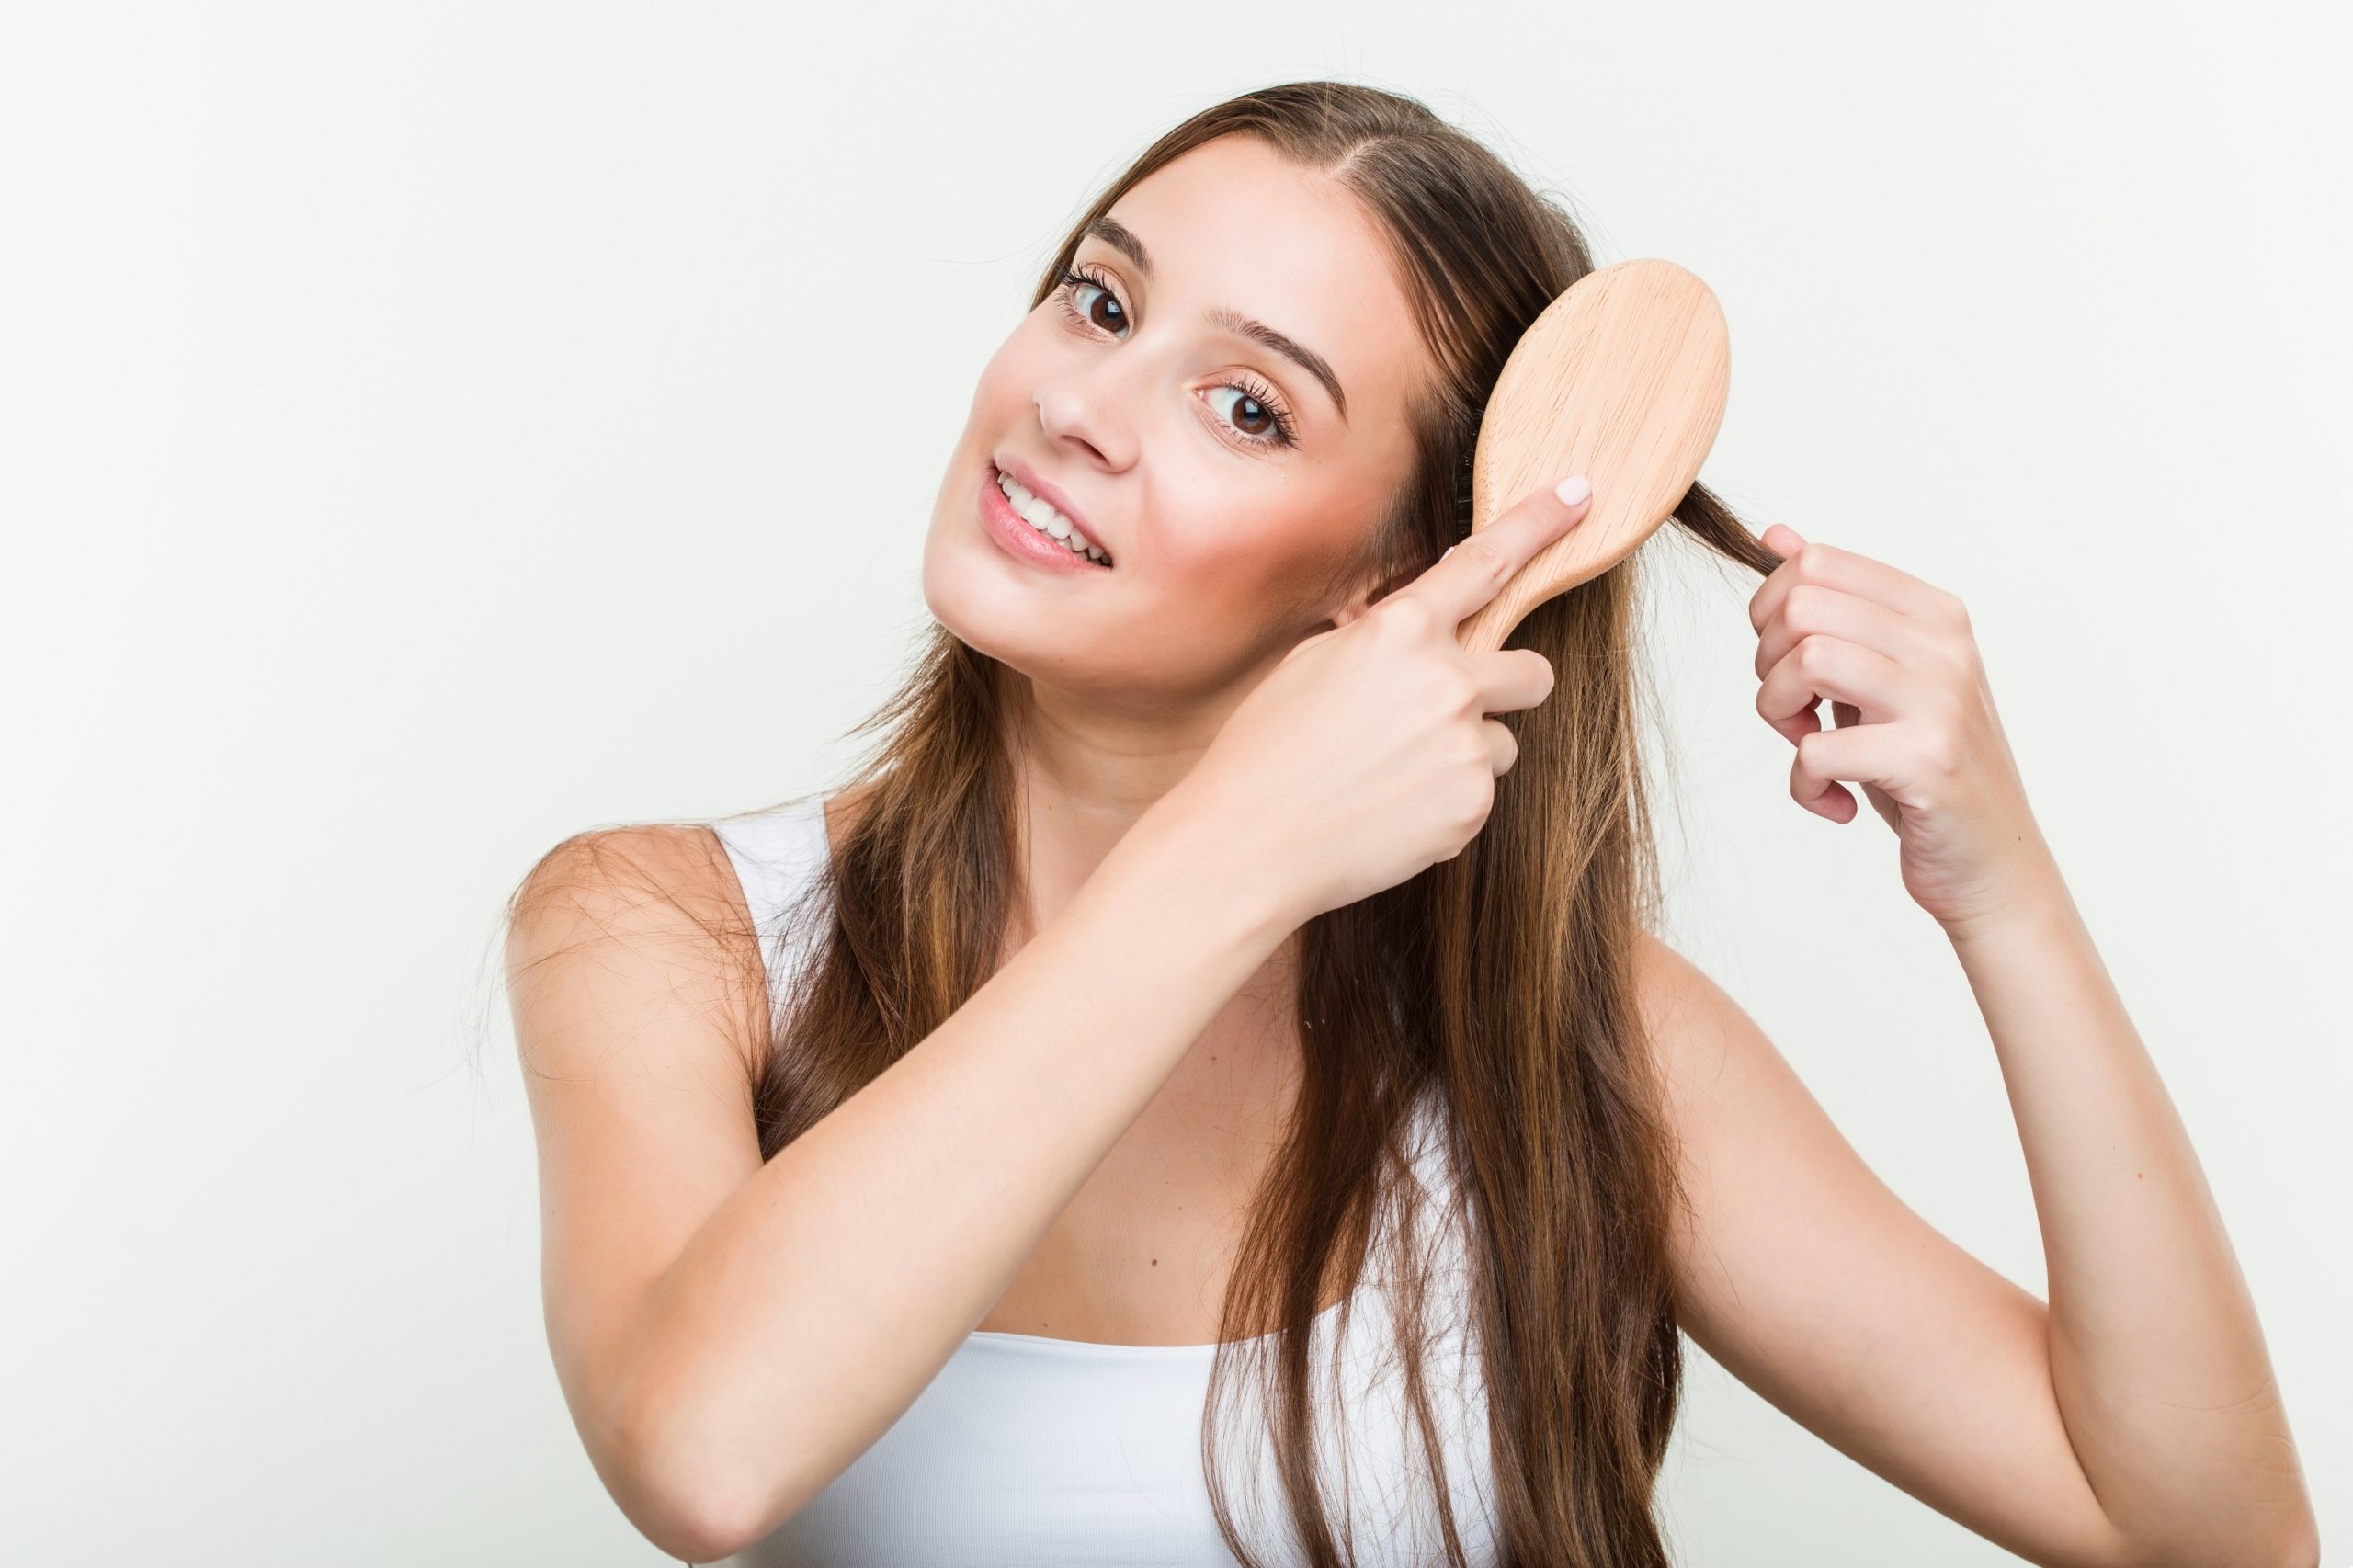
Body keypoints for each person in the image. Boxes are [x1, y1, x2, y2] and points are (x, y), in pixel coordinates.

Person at [502, 82, 2318, 1568]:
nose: (1075, 408)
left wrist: (2000, 893)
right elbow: (702, 1451)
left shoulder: (1567, 1041)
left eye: (1242, 405)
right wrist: (1235, 847)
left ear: (1397, 573)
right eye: (1099, 299)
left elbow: (2203, 1537)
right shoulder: (665, 930)